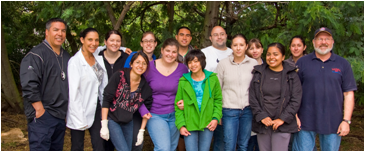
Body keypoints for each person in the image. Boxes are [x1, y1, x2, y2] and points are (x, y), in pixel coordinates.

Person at [292, 27, 357, 151]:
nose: (323, 42)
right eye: (320, 39)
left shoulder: (342, 64)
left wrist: (346, 121)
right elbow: (293, 91)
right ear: (313, 42)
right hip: (304, 121)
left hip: (333, 122)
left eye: (327, 39)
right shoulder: (302, 62)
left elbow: (348, 94)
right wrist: (294, 116)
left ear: (332, 42)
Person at [20, 18, 71, 151]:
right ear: (46, 32)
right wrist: (39, 110)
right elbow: (29, 85)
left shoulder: (66, 56)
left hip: (60, 116)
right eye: (56, 30)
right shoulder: (36, 55)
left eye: (63, 31)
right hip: (43, 116)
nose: (60, 34)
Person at [249, 42, 302, 151]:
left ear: (283, 57)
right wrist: (262, 116)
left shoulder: (291, 74)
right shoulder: (258, 73)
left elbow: (296, 99)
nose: (271, 57)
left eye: (275, 54)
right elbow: (253, 97)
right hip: (263, 124)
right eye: (269, 54)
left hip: (282, 124)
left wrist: (282, 118)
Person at [100, 51, 153, 151]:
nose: (140, 66)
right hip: (112, 118)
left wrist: (141, 131)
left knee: (128, 149)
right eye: (137, 62)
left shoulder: (145, 88)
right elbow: (106, 99)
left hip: (128, 120)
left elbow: (146, 111)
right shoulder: (120, 76)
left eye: (144, 63)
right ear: (131, 64)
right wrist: (104, 124)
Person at [66, 28, 107, 151]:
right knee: (77, 146)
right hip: (79, 109)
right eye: (90, 39)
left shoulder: (96, 56)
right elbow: (73, 93)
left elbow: (108, 47)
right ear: (82, 40)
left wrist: (122, 49)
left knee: (99, 145)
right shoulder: (75, 62)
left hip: (95, 107)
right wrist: (80, 118)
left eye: (96, 40)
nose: (93, 43)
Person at [145, 38, 189, 151]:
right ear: (162, 50)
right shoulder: (149, 67)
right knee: (163, 148)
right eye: (168, 51)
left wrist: (185, 102)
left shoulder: (182, 69)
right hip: (155, 114)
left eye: (174, 52)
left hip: (175, 115)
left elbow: (188, 91)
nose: (170, 54)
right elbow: (139, 90)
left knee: (171, 148)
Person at [215, 34, 258, 151]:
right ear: (231, 47)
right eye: (235, 45)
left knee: (243, 145)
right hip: (229, 110)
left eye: (241, 45)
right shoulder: (223, 64)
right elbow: (217, 89)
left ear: (246, 47)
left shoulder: (254, 64)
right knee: (229, 145)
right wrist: (217, 113)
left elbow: (258, 88)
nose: (238, 48)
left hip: (248, 110)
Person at [174, 49, 223, 151]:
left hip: (208, 122)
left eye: (196, 61)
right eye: (190, 62)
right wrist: (181, 125)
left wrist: (215, 118)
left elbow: (218, 101)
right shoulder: (183, 81)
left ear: (202, 61)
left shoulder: (213, 79)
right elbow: (177, 105)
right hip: (189, 123)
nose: (193, 65)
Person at [92, 30, 131, 151]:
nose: (115, 43)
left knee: (121, 143)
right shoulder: (96, 58)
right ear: (105, 42)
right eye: (112, 40)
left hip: (121, 107)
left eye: (118, 41)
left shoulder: (127, 58)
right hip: (101, 105)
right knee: (103, 143)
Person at [123, 31, 158, 151]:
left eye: (151, 41)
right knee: (132, 139)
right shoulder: (133, 56)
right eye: (145, 41)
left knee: (139, 139)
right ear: (141, 43)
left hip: (147, 104)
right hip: (131, 103)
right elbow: (126, 80)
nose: (148, 43)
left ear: (155, 44)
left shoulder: (156, 61)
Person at [200, 25, 233, 151]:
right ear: (210, 38)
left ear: (226, 36)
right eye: (215, 34)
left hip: (228, 103)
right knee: (204, 140)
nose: (219, 37)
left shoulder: (233, 53)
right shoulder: (204, 53)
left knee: (222, 138)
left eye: (222, 34)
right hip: (206, 102)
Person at [284, 35, 308, 151]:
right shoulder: (284, 64)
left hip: (307, 105)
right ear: (290, 48)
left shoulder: (311, 62)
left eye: (299, 45)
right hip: (288, 106)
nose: (296, 48)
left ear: (304, 47)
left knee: (305, 140)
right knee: (289, 141)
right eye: (293, 46)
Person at [174, 26, 194, 151]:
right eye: (181, 34)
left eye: (187, 35)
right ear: (176, 37)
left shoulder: (195, 54)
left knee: (190, 128)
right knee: (178, 130)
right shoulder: (170, 52)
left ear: (191, 38)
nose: (184, 37)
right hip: (173, 94)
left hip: (191, 96)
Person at [246, 38, 264, 151]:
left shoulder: (269, 66)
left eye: (257, 47)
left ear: (262, 49)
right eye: (251, 48)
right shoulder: (245, 66)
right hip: (248, 108)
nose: (255, 51)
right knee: (248, 142)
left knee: (261, 144)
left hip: (264, 109)